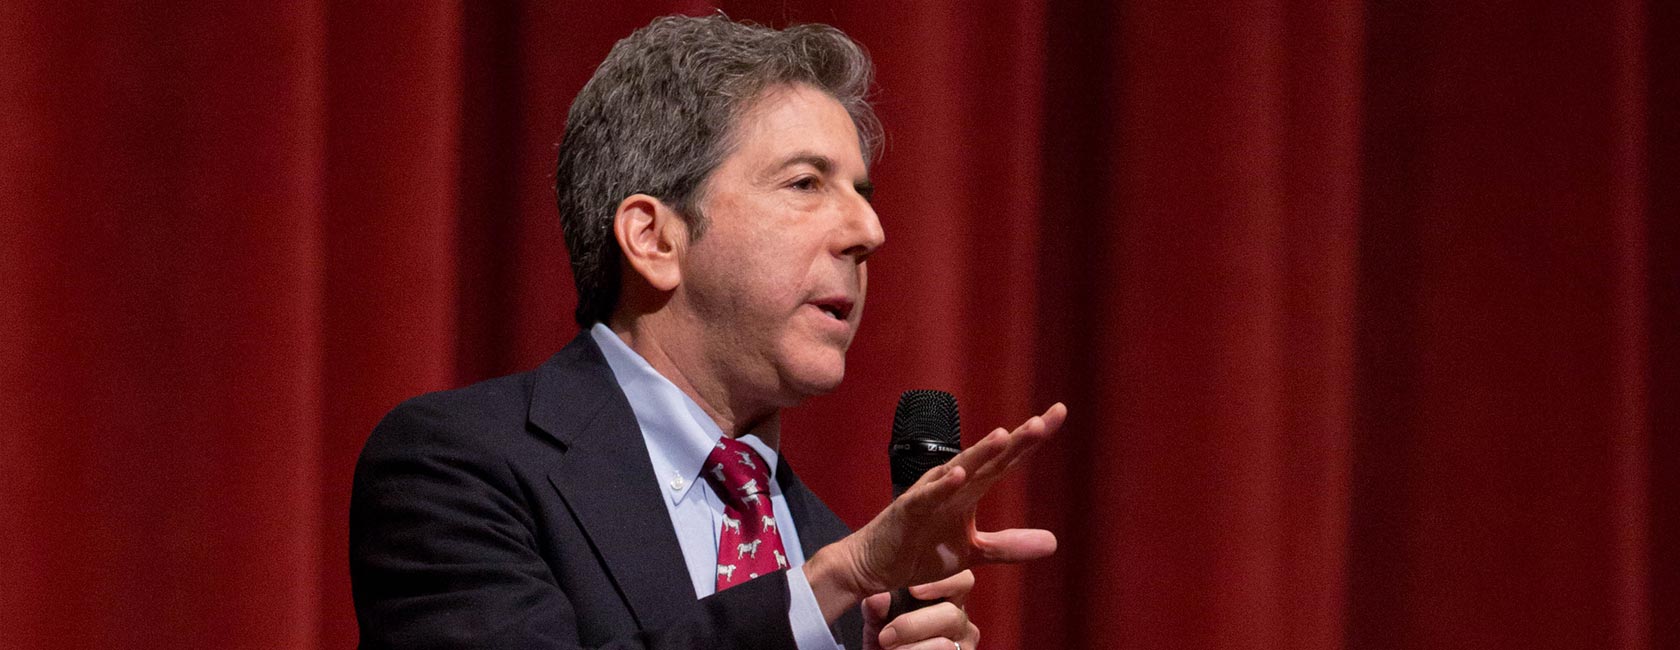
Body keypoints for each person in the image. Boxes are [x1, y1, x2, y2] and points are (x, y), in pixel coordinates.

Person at [349, 14, 1067, 650]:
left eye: (862, 194)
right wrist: (822, 592)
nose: (868, 231)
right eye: (806, 184)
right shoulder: (458, 466)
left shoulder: (839, 565)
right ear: (654, 239)